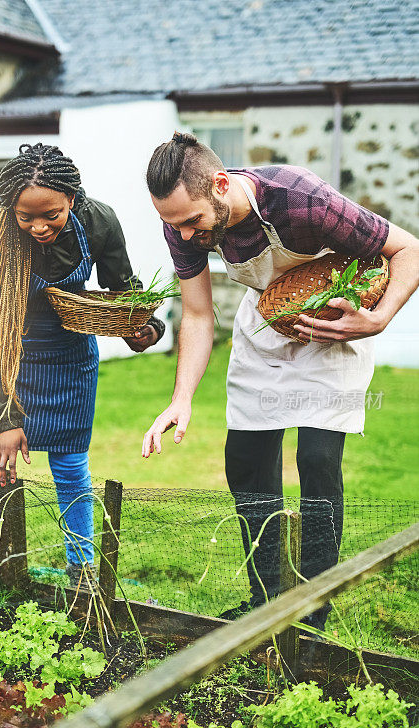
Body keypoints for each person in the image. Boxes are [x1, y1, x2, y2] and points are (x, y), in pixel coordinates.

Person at [142, 132, 419, 627]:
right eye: (172, 225)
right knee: (245, 463)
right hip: (265, 328)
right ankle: (266, 603)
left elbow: (409, 250)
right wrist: (180, 398)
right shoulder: (180, 222)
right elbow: (200, 315)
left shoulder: (301, 200)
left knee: (316, 460)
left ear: (221, 185)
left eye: (191, 222)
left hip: (332, 330)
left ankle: (313, 609)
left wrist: (379, 319)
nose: (183, 235)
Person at [0, 142, 164, 587]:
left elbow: (123, 290)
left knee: (69, 470)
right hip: (4, 356)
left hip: (68, 359)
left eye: (51, 214)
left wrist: (144, 329)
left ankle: (82, 571)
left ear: (72, 198)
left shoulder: (97, 220)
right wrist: (4, 417)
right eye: (25, 217)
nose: (39, 226)